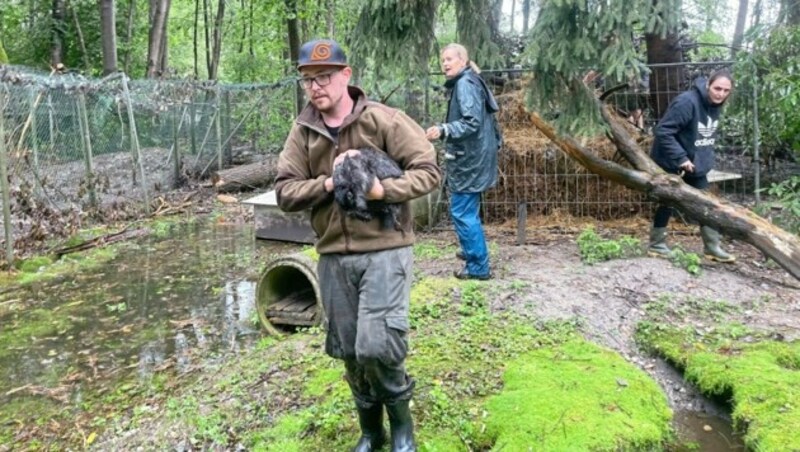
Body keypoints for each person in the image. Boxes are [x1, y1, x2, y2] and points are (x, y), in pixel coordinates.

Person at [274, 39, 441, 452]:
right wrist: (330, 183)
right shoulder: (303, 132)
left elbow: (428, 171)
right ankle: (371, 430)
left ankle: (402, 426)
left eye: (324, 77)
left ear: (346, 76)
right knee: (349, 347)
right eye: (308, 80)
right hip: (333, 254)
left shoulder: (384, 119)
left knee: (376, 343)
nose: (315, 87)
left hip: (385, 247)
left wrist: (382, 190)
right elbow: (284, 191)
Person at [425, 43, 501, 280]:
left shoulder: (465, 84)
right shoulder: (472, 80)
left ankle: (478, 266)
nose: (445, 64)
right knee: (468, 210)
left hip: (470, 160)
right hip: (478, 156)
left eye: (449, 59)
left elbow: (471, 122)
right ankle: (471, 250)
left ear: (462, 61)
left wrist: (443, 129)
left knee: (462, 212)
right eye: (443, 60)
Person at [648, 69, 735, 263]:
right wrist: (680, 158)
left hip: (694, 164)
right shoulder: (687, 102)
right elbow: (663, 131)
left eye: (725, 90)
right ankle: (656, 245)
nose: (720, 93)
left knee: (705, 203)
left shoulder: (715, 105)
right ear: (708, 85)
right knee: (667, 201)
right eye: (717, 88)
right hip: (671, 161)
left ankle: (712, 247)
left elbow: (701, 137)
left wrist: (702, 161)